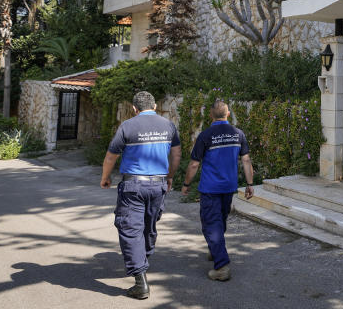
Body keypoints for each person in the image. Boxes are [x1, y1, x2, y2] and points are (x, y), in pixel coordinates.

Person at [101, 91, 181, 300]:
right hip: (158, 184)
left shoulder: (127, 126)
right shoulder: (168, 125)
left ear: (135, 109)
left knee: (130, 228)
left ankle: (140, 281)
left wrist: (105, 177)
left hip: (133, 186)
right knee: (149, 225)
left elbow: (111, 155)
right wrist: (170, 177)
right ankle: (142, 260)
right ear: (154, 107)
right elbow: (176, 154)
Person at [180, 98, 254, 282]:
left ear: (211, 115)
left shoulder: (205, 136)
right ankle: (215, 249)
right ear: (228, 114)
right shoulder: (238, 134)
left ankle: (221, 266)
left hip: (210, 189)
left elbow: (194, 164)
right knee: (220, 220)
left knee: (211, 225)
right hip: (229, 187)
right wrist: (250, 184)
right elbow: (246, 160)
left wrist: (186, 184)